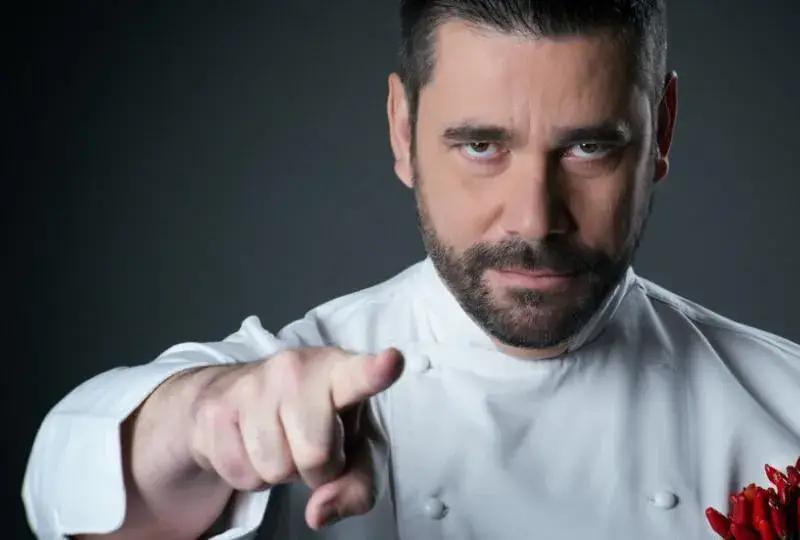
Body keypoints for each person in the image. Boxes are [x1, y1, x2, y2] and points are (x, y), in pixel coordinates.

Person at [22, 1, 800, 539]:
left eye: (589, 147)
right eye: (481, 146)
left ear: (662, 130)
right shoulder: (292, 392)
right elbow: (73, 491)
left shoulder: (784, 404)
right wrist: (204, 419)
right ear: (403, 131)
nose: (535, 219)